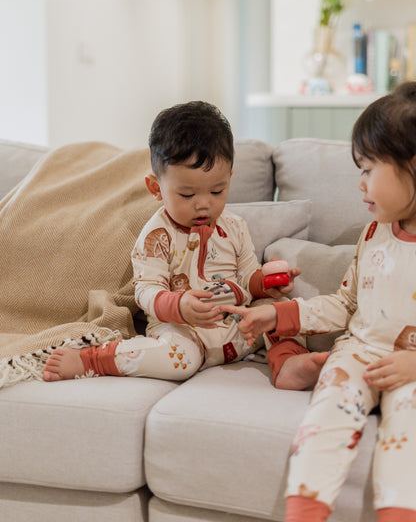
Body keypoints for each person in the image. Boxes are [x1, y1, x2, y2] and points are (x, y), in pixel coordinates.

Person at [219, 82, 416, 522]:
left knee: (408, 433)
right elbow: (345, 303)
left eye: (369, 170)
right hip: (359, 354)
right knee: (326, 413)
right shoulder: (373, 235)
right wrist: (279, 313)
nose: (360, 184)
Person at [43, 100, 301, 383]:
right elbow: (146, 292)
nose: (203, 205)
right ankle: (93, 358)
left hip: (239, 328)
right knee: (182, 360)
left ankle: (288, 363)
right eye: (187, 195)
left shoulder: (235, 227)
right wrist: (179, 306)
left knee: (285, 309)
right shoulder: (158, 236)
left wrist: (267, 281)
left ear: (230, 178)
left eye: (217, 191)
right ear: (156, 188)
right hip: (183, 331)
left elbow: (248, 277)